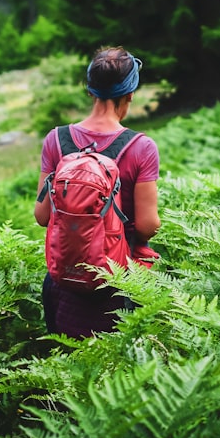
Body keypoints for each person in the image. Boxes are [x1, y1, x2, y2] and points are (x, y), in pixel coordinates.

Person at [34, 46, 161, 338]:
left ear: (90, 90)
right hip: (118, 283)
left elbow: (42, 216)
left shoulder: (56, 139)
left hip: (63, 283)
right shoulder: (141, 147)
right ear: (130, 94)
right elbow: (146, 225)